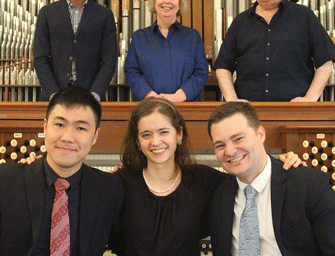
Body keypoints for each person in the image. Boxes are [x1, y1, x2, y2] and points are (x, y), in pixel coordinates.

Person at [108, 97, 302, 255]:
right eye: (146, 135)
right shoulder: (120, 184)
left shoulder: (205, 180)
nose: (156, 141)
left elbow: (250, 176)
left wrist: (281, 162)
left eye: (164, 132)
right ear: (138, 141)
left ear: (179, 134)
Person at [0, 86, 124, 255]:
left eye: (80, 128)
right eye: (59, 124)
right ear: (45, 127)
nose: (67, 137)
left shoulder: (109, 188)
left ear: (95, 136)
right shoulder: (5, 180)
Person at [207, 101, 335, 255]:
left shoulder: (308, 184)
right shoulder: (218, 194)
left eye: (238, 139)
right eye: (220, 145)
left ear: (260, 134)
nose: (230, 151)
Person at [214, 0, 335, 102]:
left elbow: (326, 60)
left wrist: (310, 98)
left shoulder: (304, 16)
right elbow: (223, 66)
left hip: (294, 110)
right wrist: (232, 99)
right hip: (248, 113)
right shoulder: (240, 22)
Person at [34, 0, 117, 101]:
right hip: (53, 96)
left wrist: (95, 95)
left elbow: (109, 60)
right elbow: (40, 58)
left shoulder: (104, 15)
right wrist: (53, 94)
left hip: (91, 96)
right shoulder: (47, 13)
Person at [124, 0, 208, 102]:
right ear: (154, 1)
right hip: (149, 108)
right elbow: (131, 72)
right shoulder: (139, 37)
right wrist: (150, 96)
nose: (167, 1)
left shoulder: (192, 37)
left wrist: (178, 97)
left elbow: (201, 72)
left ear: (180, 4)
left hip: (185, 107)